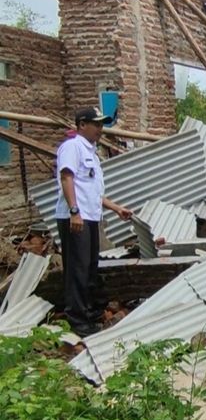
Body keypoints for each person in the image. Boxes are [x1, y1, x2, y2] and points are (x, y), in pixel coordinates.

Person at [55, 107, 132, 337]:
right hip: (75, 218)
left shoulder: (92, 153)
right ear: (81, 125)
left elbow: (92, 191)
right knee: (77, 269)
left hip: (90, 217)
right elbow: (66, 177)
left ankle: (88, 315)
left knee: (89, 268)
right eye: (96, 124)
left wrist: (116, 208)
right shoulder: (72, 147)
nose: (100, 129)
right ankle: (77, 321)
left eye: (101, 124)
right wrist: (74, 211)